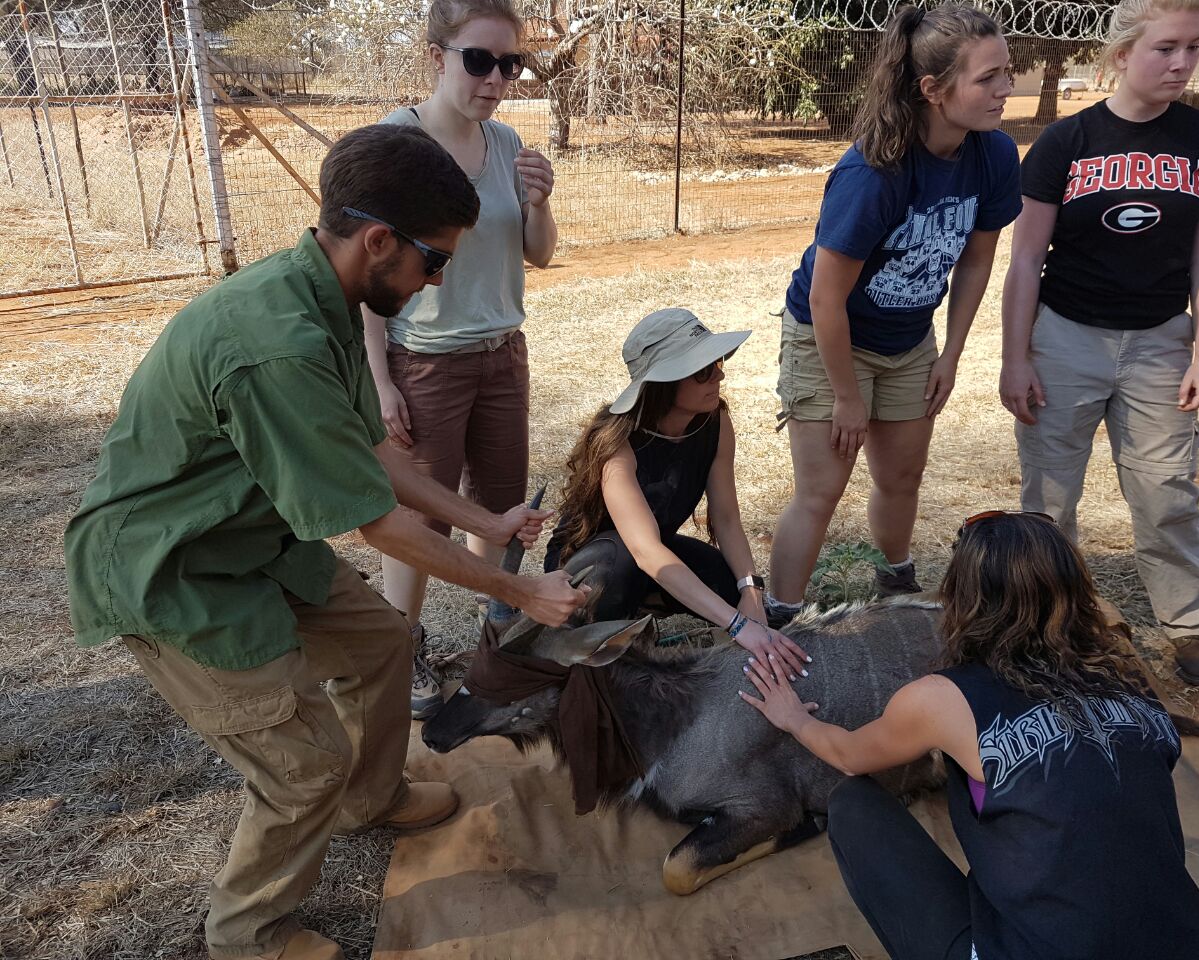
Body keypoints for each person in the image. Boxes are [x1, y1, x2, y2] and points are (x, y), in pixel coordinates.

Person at [63, 124, 587, 960]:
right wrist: (521, 590)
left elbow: (375, 455)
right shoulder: (279, 345)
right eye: (434, 260)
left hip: (248, 535)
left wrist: (488, 524)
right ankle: (248, 935)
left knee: (381, 640)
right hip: (171, 567)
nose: (438, 280)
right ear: (378, 241)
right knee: (303, 767)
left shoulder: (331, 294)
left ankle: (369, 801)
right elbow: (378, 523)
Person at [741, 511, 1199, 960]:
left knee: (854, 804)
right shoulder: (1129, 681)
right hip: (1190, 946)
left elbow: (848, 756)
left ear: (960, 597)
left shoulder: (943, 698)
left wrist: (794, 718)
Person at [999, 0, 1199, 685]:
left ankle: (1189, 626)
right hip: (1065, 338)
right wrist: (1016, 358)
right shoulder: (1066, 142)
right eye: (1166, 48)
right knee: (1049, 498)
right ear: (1121, 54)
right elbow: (1025, 260)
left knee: (1166, 491)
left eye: (1194, 46)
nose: (1183, 63)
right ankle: (1047, 625)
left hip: (1161, 341)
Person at [765, 3, 1022, 627]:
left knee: (903, 476)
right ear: (933, 89)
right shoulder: (874, 173)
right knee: (821, 491)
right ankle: (779, 618)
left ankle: (895, 583)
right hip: (831, 338)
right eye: (987, 78)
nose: (1005, 90)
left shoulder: (993, 154)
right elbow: (825, 299)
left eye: (1006, 73)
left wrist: (950, 355)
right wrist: (847, 397)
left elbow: (976, 262)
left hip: (909, 339)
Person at [361, 0, 557, 719]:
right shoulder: (397, 142)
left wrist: (539, 202)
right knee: (419, 523)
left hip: (503, 355)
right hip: (426, 362)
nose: (496, 79)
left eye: (511, 64)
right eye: (479, 60)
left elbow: (537, 253)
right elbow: (370, 272)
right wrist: (380, 380)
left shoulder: (506, 142)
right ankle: (400, 647)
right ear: (436, 56)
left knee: (501, 511)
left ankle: (496, 646)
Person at [545, 308, 810, 679]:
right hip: (593, 566)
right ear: (663, 382)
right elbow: (644, 551)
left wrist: (750, 591)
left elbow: (727, 519)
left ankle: (642, 610)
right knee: (621, 560)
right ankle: (597, 652)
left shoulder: (715, 421)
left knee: (725, 581)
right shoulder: (616, 443)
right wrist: (737, 625)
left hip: (652, 552)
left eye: (717, 361)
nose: (720, 374)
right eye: (703, 370)